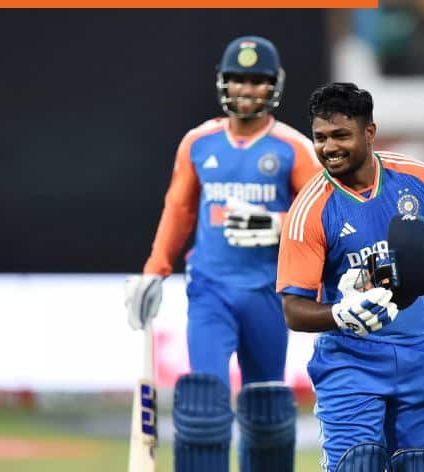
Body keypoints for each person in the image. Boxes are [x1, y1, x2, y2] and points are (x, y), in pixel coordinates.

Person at [276, 82, 424, 471]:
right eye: (320, 138)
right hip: (351, 364)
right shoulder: (310, 210)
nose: (329, 147)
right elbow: (293, 309)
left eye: (341, 135)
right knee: (360, 463)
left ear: (369, 132)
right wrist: (340, 314)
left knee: (423, 465)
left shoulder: (417, 179)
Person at [124, 36, 321, 472]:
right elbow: (179, 210)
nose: (246, 89)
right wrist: (154, 270)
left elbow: (322, 221)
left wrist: (278, 224)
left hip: (269, 294)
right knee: (204, 406)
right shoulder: (199, 142)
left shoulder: (293, 148)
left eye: (256, 81)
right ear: (222, 82)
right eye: (237, 80)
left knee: (266, 412)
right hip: (210, 290)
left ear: (274, 85)